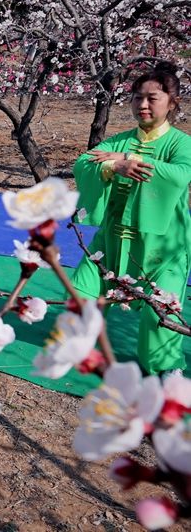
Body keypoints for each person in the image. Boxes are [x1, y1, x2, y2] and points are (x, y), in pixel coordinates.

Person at [72, 62, 190, 376]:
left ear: (172, 103)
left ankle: (165, 366)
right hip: (111, 240)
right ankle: (81, 344)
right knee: (82, 293)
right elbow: (85, 162)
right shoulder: (120, 139)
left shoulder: (181, 143)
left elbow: (180, 174)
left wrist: (128, 159)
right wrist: (111, 167)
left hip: (161, 248)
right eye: (138, 97)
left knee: (159, 314)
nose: (143, 104)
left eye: (153, 97)